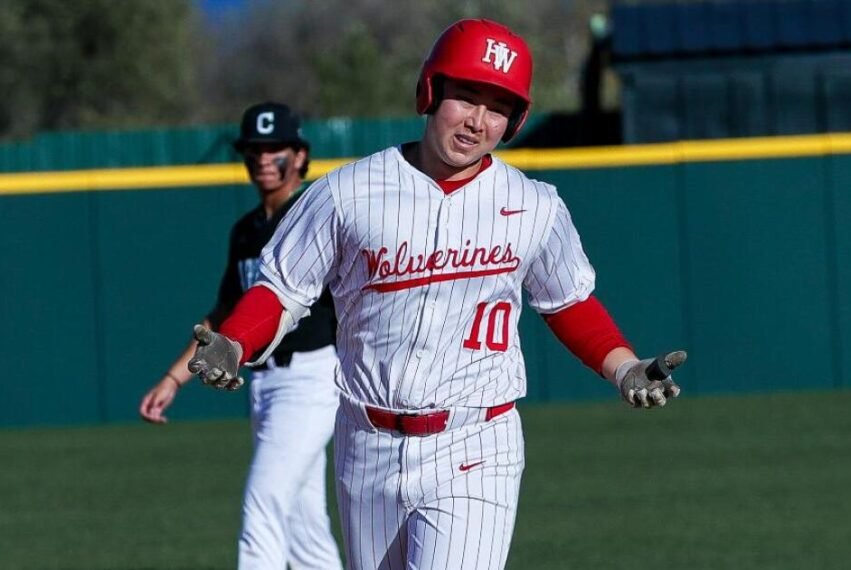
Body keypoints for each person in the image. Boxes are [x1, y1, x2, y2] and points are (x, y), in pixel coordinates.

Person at [188, 20, 685, 570]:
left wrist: (624, 367)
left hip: (477, 441)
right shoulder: (345, 194)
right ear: (430, 91)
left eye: (498, 108)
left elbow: (568, 302)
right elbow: (282, 289)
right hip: (366, 442)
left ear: (515, 121)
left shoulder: (534, 205)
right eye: (466, 97)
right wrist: (235, 341)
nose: (478, 121)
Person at [139, 102, 343, 570]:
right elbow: (223, 316)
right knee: (304, 526)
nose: (263, 159)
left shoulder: (317, 215)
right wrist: (173, 379)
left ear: (300, 154)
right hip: (265, 384)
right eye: (254, 149)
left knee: (263, 502)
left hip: (313, 378)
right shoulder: (246, 231)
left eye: (275, 149)